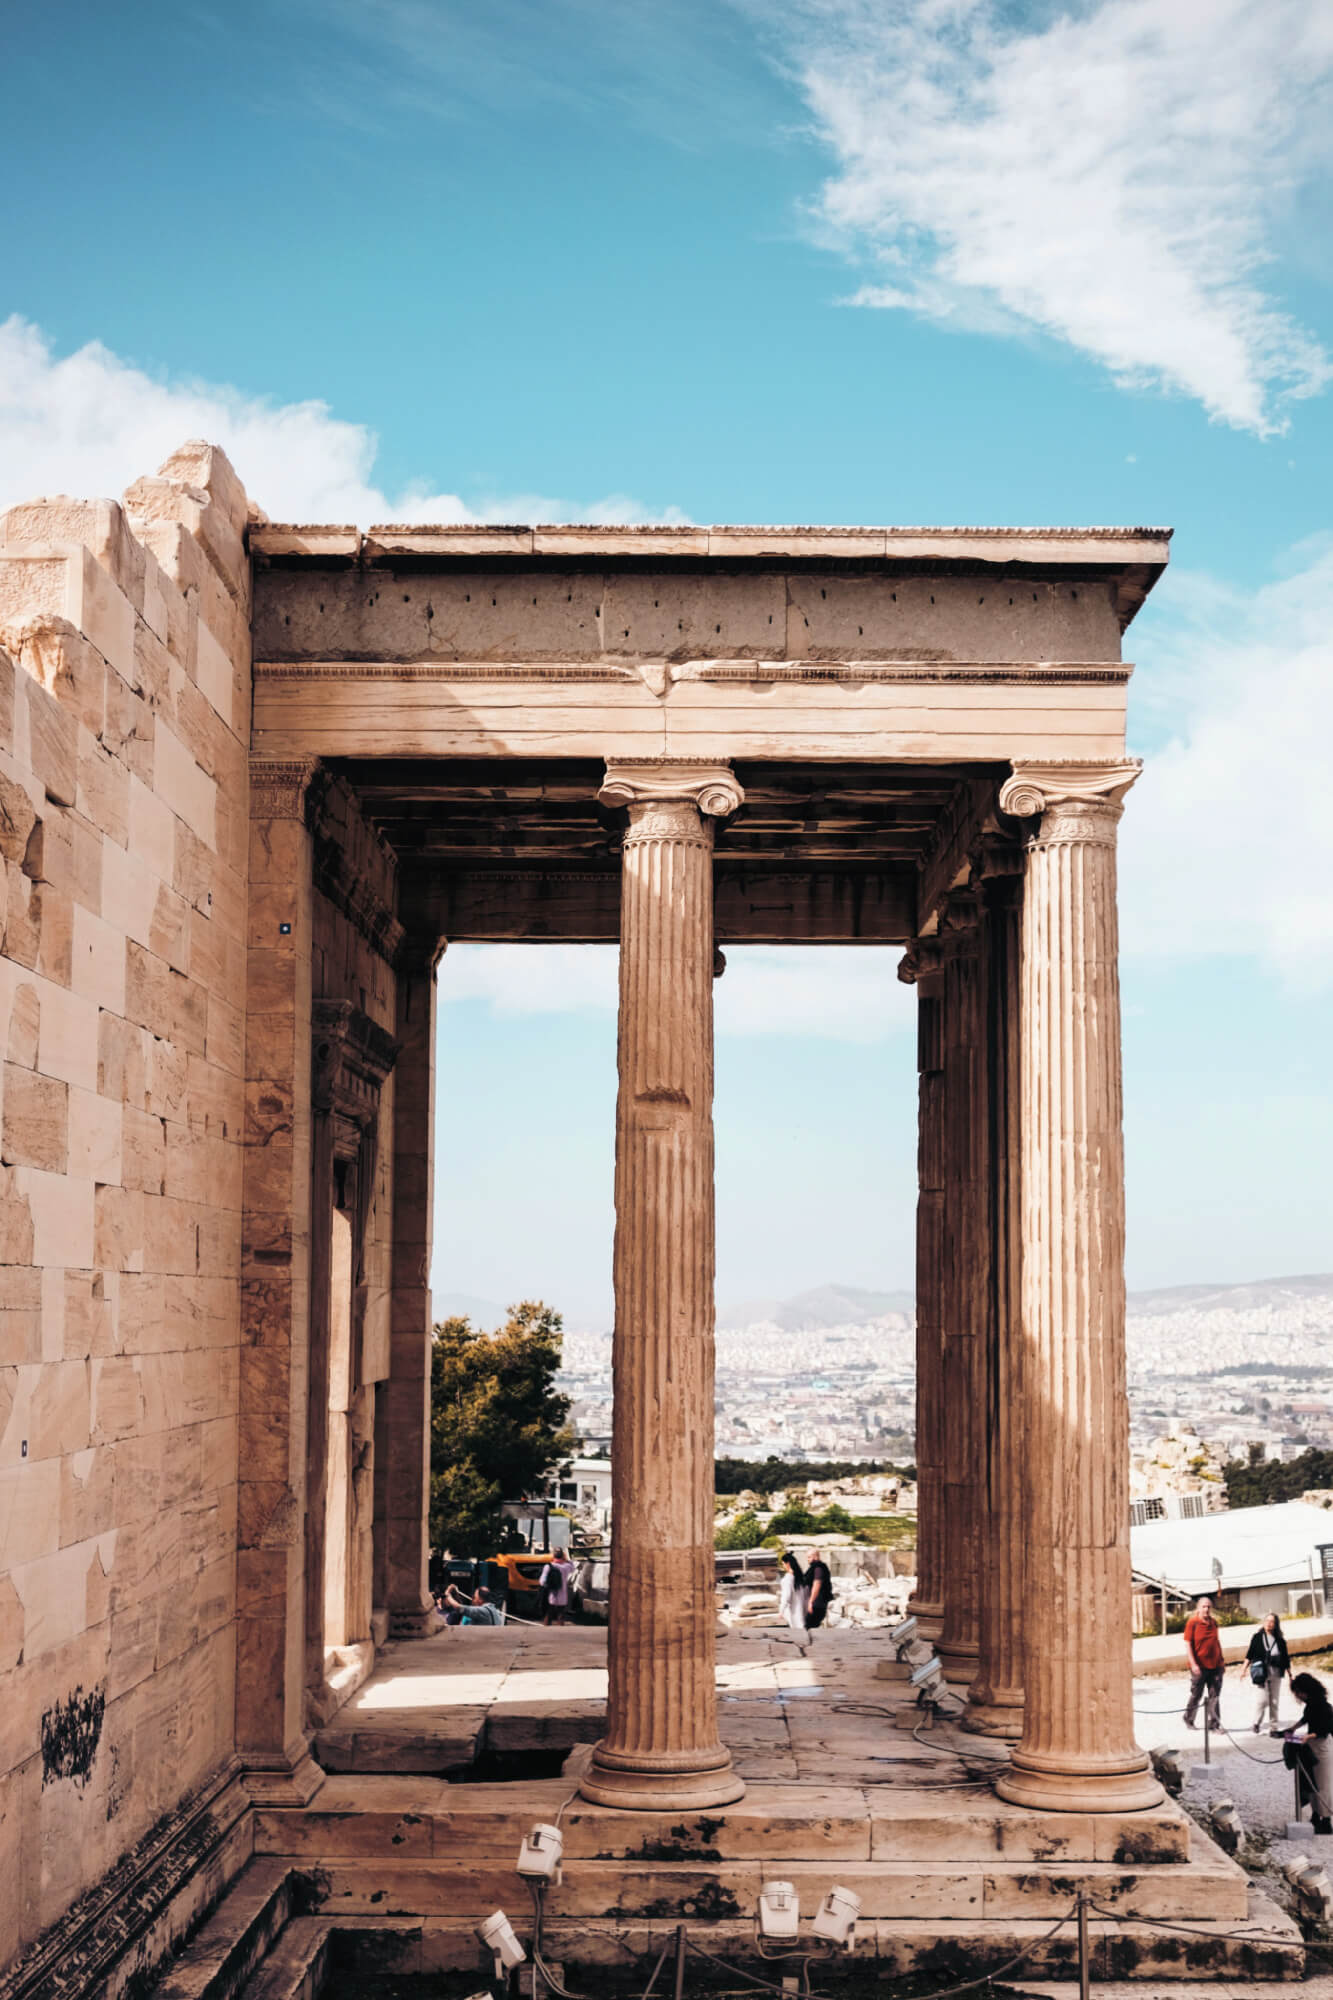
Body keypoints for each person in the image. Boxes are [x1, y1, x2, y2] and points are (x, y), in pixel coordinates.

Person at [1285, 1673, 1333, 1834]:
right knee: (1310, 1781)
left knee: (1322, 1785)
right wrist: (1293, 1728)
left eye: (1299, 1692)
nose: (1298, 1695)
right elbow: (1306, 1718)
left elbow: (1323, 1730)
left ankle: (1325, 1819)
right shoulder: (1311, 1704)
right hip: (1311, 1746)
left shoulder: (1324, 1707)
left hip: (1320, 1746)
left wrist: (1307, 1736)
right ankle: (1315, 1814)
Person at [1242, 1612, 1290, 1734]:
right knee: (1262, 1700)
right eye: (1267, 1621)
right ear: (1263, 1623)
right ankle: (1256, 1722)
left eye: (1272, 1621)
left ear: (1276, 1624)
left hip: (1276, 1672)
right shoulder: (1257, 1637)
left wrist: (1290, 1674)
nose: (1269, 1624)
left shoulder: (1280, 1641)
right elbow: (1250, 1654)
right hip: (1261, 1673)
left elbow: (1285, 1659)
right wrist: (1243, 1669)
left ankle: (1273, 1727)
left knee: (1274, 1701)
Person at [1182, 1595, 1224, 1731]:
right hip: (1199, 1667)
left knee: (1215, 1696)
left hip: (1215, 1666)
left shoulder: (1213, 1623)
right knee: (1196, 1695)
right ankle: (1189, 1718)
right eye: (1204, 1606)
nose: (1206, 1609)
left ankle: (1214, 1724)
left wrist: (1222, 1662)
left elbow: (1217, 1642)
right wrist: (1193, 1664)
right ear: (1198, 1608)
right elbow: (1188, 1644)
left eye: (1208, 1607)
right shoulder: (1192, 1623)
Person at [779, 1551, 808, 1648]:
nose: (783, 1566)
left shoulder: (788, 1579)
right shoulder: (800, 1577)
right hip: (802, 1607)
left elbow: (786, 1596)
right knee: (801, 1627)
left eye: (783, 1564)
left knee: (796, 1629)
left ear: (787, 1564)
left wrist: (781, 1610)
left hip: (794, 1608)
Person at [539, 1553, 576, 1626]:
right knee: (561, 1615)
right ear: (562, 1557)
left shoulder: (548, 1566)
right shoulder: (567, 1567)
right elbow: (573, 1568)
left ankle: (546, 1629)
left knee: (549, 1614)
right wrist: (567, 1560)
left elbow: (542, 1581)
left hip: (551, 1594)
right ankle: (561, 1630)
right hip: (563, 1596)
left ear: (553, 1556)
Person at [804, 1549, 834, 1632]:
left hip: (817, 1603)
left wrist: (811, 1601)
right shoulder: (819, 1567)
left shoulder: (818, 1568)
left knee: (809, 1627)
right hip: (818, 1603)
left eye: (809, 1557)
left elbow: (817, 1585)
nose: (808, 1559)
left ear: (815, 1556)